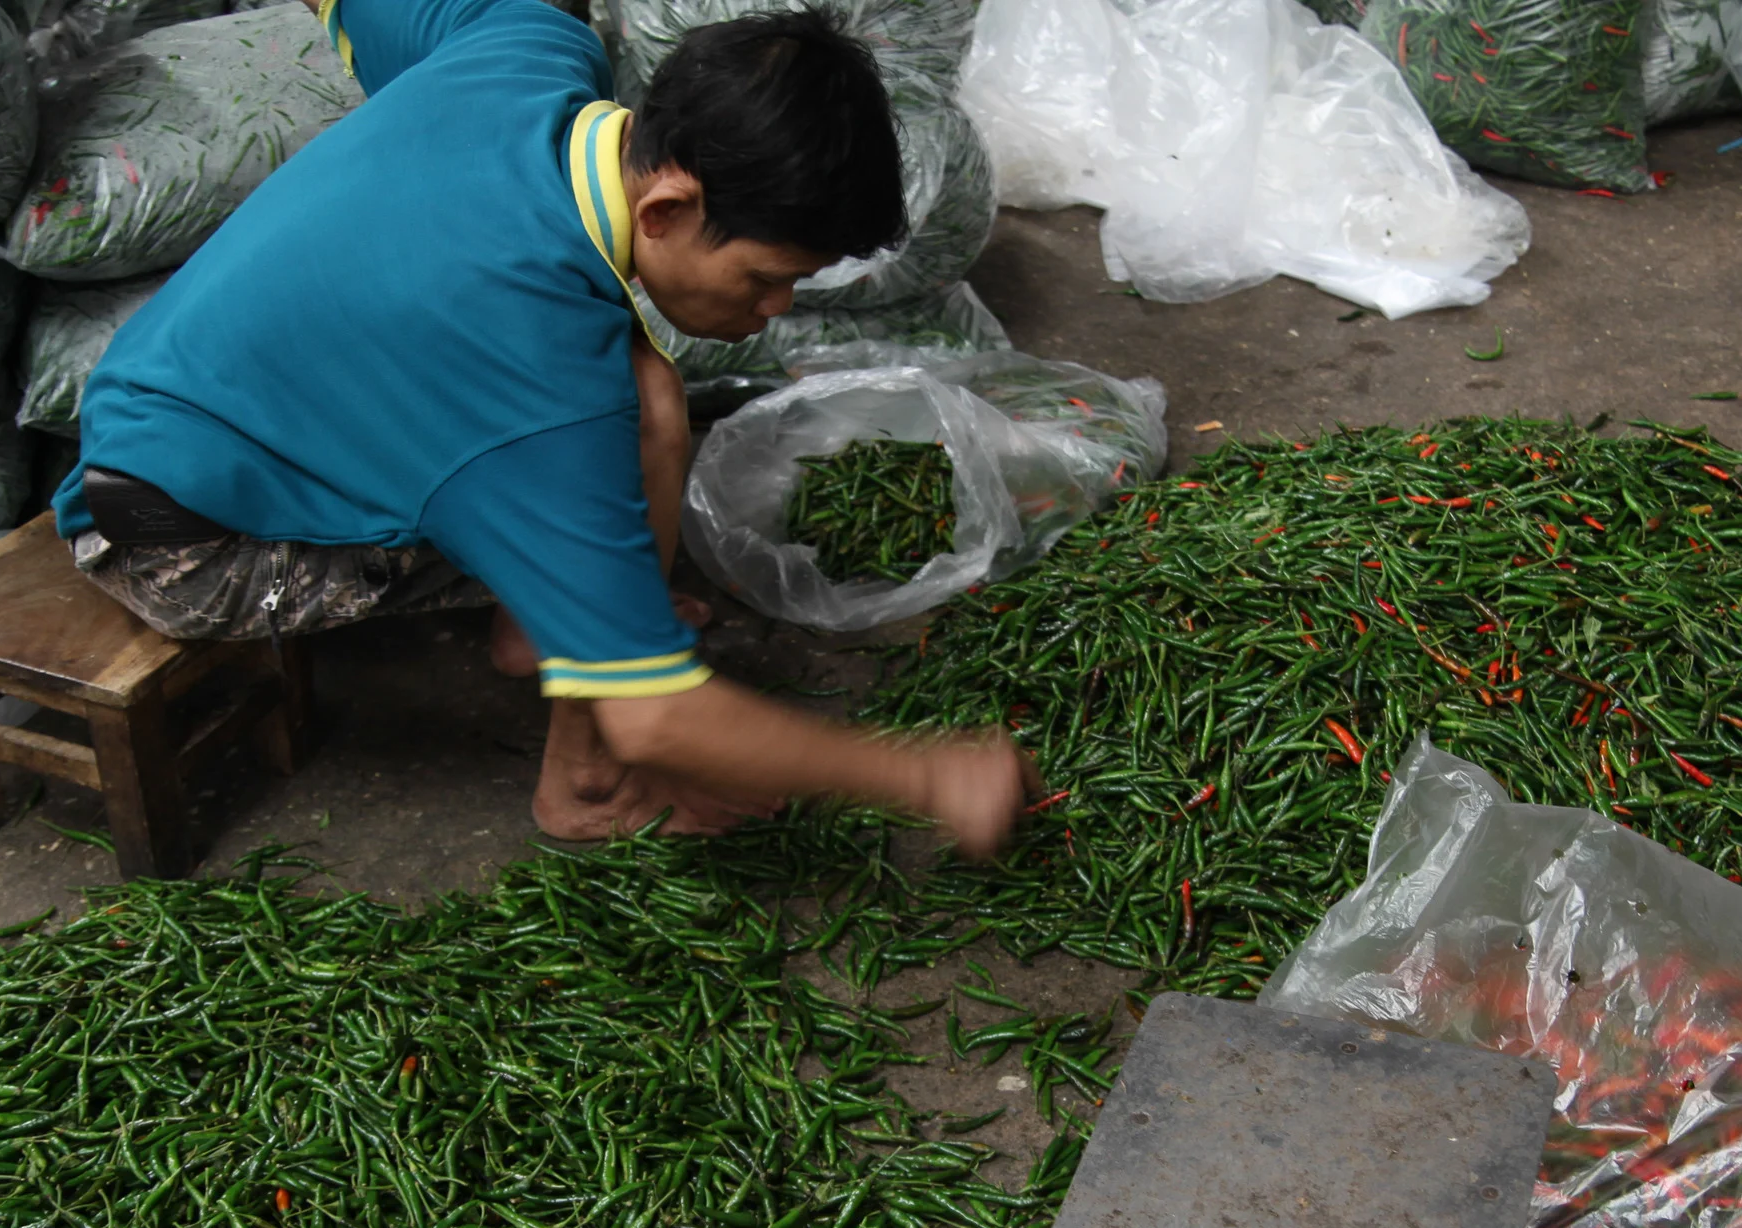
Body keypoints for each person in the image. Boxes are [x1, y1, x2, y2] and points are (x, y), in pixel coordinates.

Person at [51, 0, 1029, 855]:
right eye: (764, 278)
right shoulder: (535, 378)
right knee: (615, 475)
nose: (773, 308)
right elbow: (660, 718)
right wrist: (928, 778)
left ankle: (553, 626)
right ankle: (582, 772)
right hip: (181, 540)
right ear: (667, 205)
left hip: (195, 408)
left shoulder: (531, 46)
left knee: (649, 391)